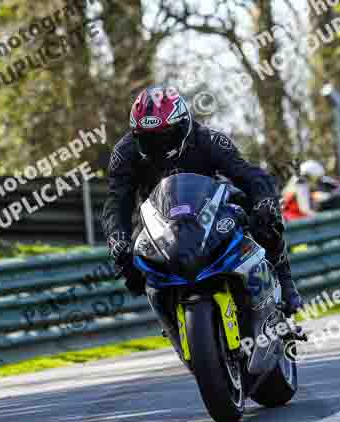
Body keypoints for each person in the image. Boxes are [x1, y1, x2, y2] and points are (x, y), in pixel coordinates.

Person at [101, 86, 303, 315]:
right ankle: (168, 314)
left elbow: (249, 175)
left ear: (183, 125)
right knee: (128, 259)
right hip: (157, 221)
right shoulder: (125, 153)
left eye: (166, 136)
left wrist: (264, 202)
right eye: (150, 139)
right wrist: (117, 238)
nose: (160, 145)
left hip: (212, 210)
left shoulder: (208, 139)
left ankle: (286, 284)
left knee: (263, 219)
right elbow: (116, 201)